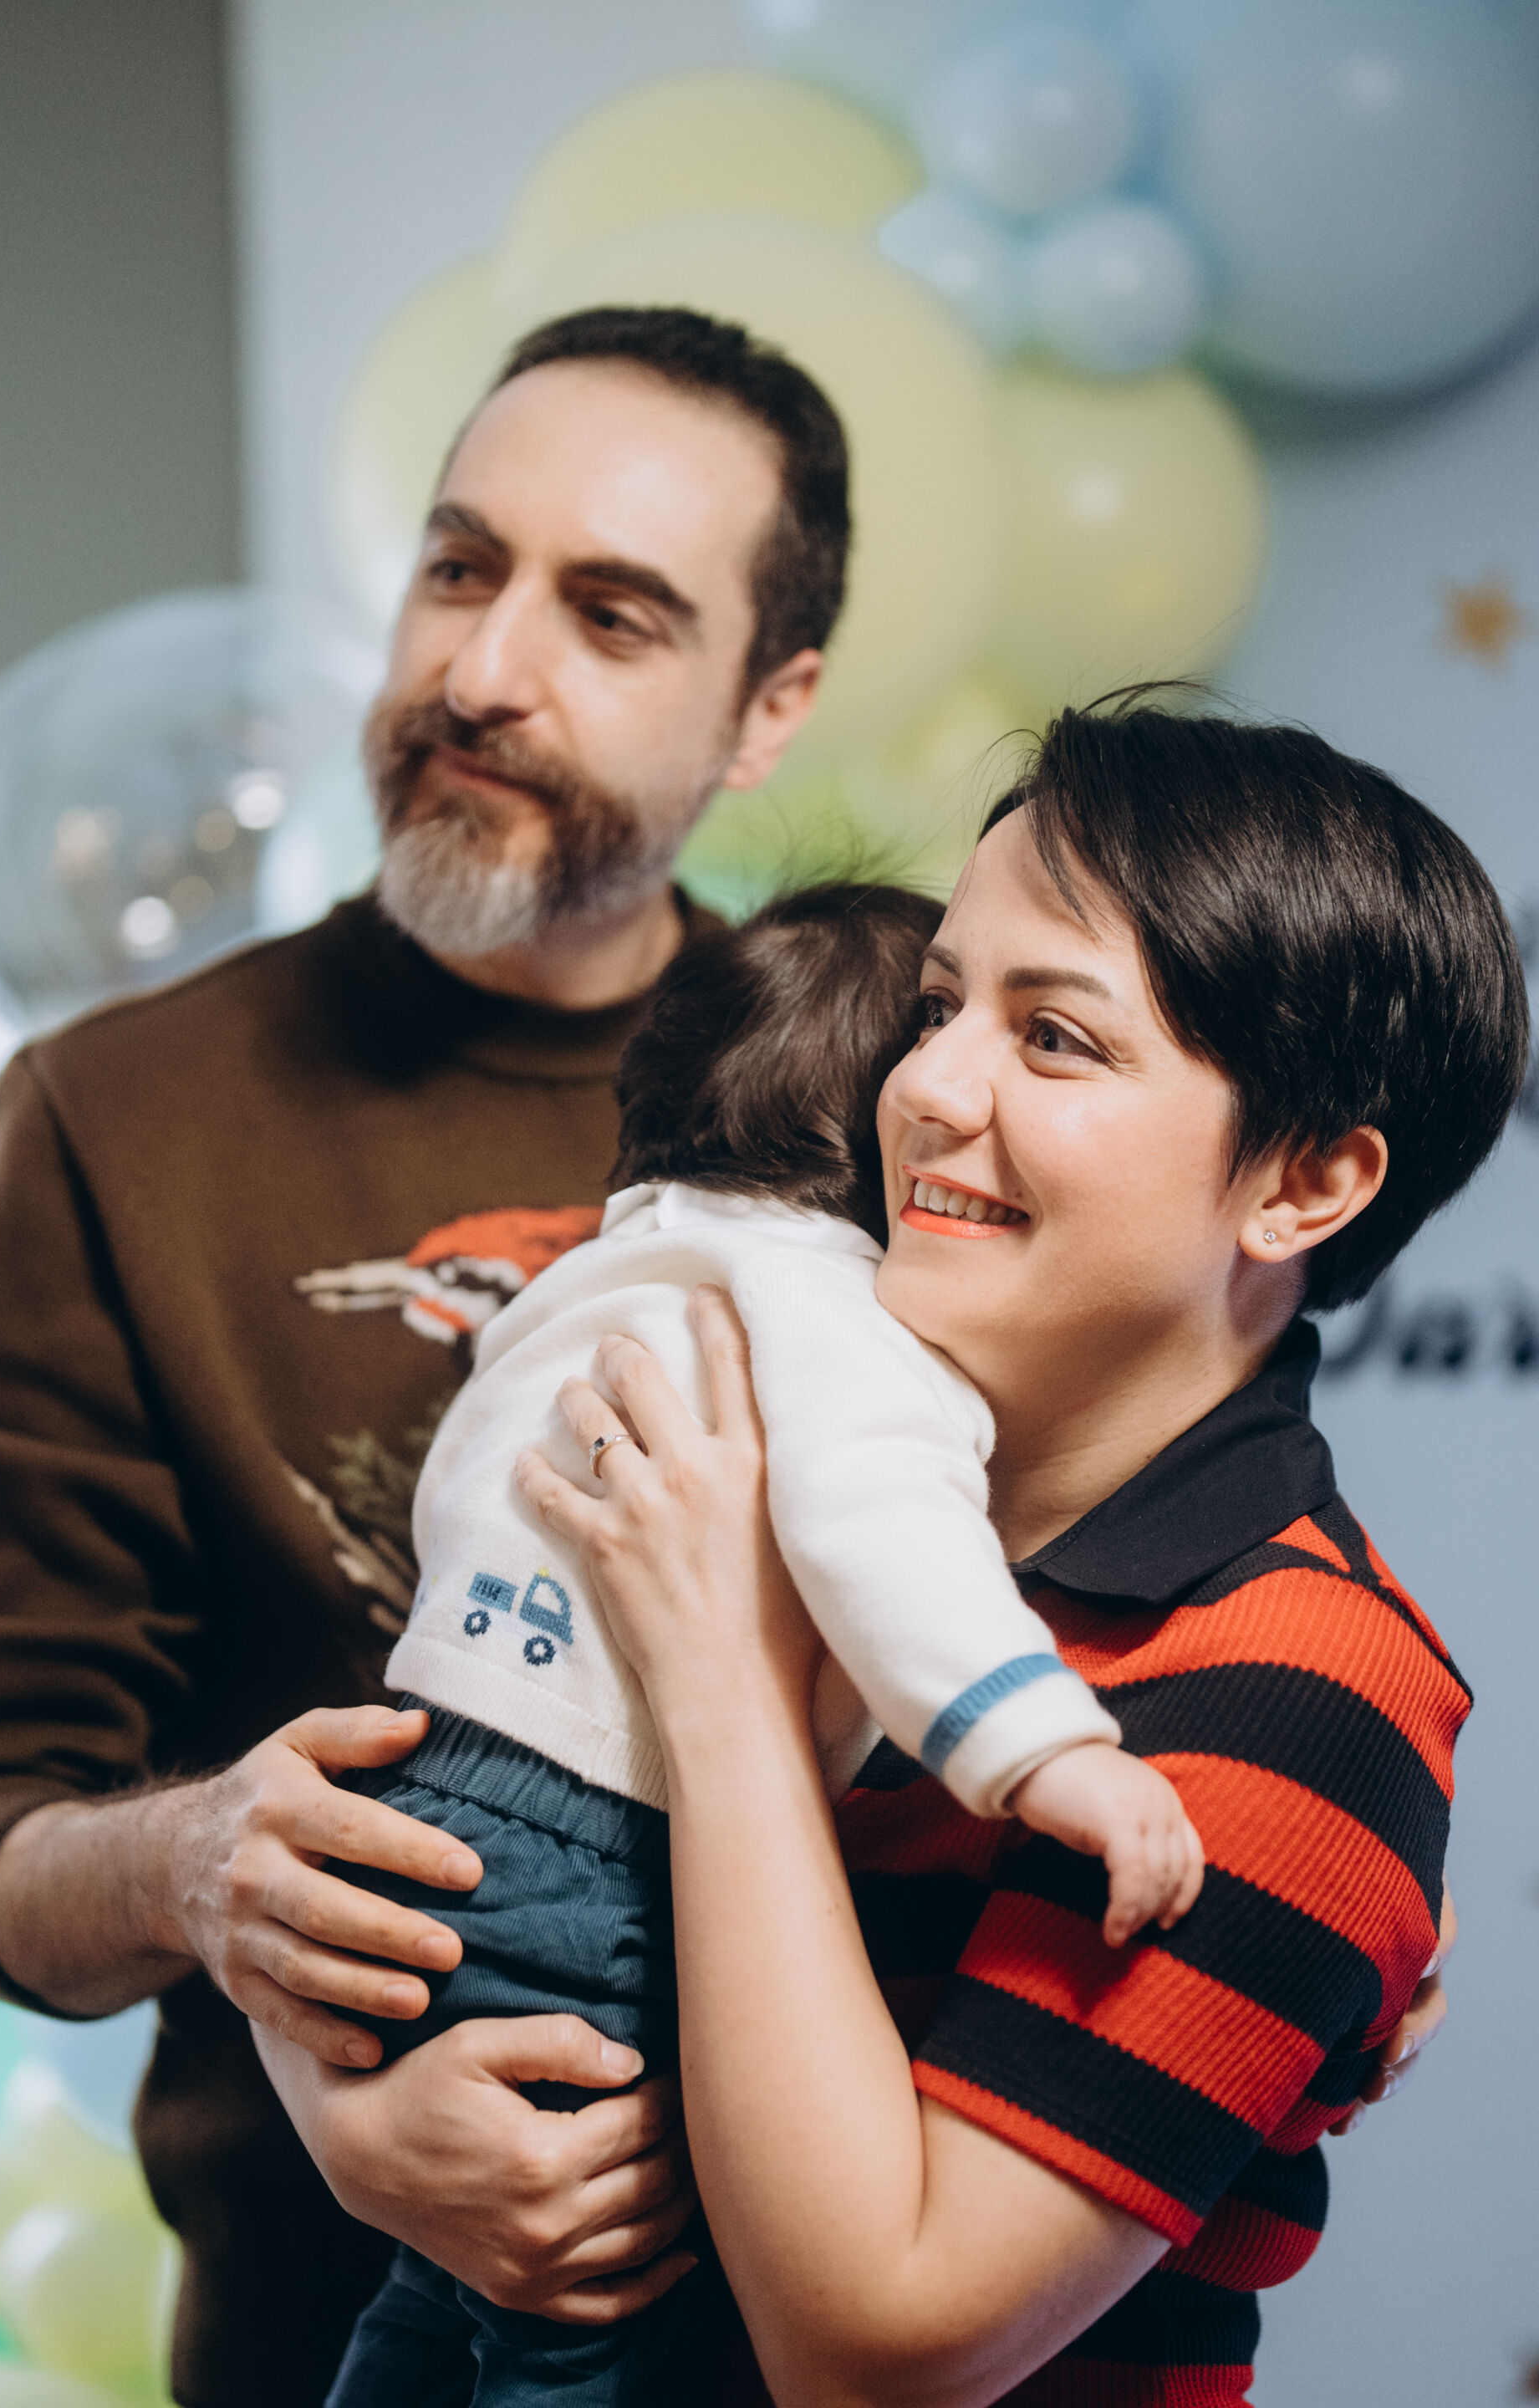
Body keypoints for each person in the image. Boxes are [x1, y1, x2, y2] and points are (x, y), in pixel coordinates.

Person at [0, 304, 847, 2408]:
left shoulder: (886, 1101)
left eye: (610, 614)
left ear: (767, 707)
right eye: (459, 567)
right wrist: (193, 1871)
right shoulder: (110, 1117)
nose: (484, 670)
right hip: (304, 2337)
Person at [510, 700, 1526, 2405]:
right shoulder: (793, 1463)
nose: (923, 1088)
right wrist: (367, 2115)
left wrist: (728, 1681)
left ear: (1304, 1183)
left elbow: (876, 2350)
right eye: (937, 1007)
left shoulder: (1303, 1690)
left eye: (1054, 1037)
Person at [324, 882, 1200, 2407]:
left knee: (452, 2283)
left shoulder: (600, 1276)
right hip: (595, 1846)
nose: (953, 1089)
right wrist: (1045, 1749)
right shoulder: (833, 1317)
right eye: (934, 1026)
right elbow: (887, 1541)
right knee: (589, 2324)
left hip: (423, 1797)